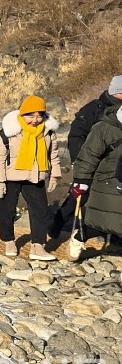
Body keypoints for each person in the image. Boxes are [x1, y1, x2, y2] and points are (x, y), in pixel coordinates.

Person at [0, 95, 62, 260]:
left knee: (41, 211)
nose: (35, 120)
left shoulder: (48, 132)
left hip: (35, 176)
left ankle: (38, 246)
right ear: (22, 114)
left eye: (39, 115)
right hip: (10, 176)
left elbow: (53, 155)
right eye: (30, 115)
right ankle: (9, 240)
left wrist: (54, 175)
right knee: (7, 211)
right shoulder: (9, 131)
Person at [49, 75, 122, 238]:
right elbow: (76, 135)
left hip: (114, 165)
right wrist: (80, 163)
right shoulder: (94, 108)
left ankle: (108, 234)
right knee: (79, 195)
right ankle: (57, 223)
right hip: (93, 162)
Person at [69, 104, 122, 257]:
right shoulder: (104, 128)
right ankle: (80, 237)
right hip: (108, 180)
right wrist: (81, 179)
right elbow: (88, 155)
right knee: (104, 221)